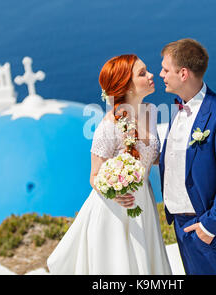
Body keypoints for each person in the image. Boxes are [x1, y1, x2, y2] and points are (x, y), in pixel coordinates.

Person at [47, 54, 172, 274]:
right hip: (115, 209)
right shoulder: (108, 127)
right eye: (142, 73)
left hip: (143, 200)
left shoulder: (150, 111)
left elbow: (150, 156)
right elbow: (94, 175)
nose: (151, 75)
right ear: (128, 87)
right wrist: (115, 194)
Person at [159, 38, 216, 275]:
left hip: (204, 226)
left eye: (165, 69)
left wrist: (209, 227)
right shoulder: (181, 106)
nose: (160, 74)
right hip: (180, 223)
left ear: (183, 74)